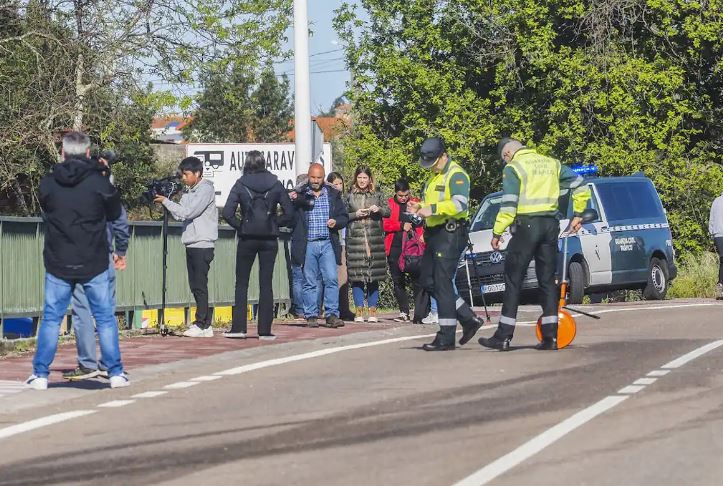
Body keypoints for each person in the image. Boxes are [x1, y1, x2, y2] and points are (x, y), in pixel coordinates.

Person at [26, 131, 128, 390]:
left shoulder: (48, 183)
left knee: (51, 317)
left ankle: (40, 374)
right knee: (104, 317)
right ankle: (115, 372)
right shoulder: (101, 183)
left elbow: (48, 213)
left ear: (62, 152)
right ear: (88, 153)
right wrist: (121, 250)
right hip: (94, 260)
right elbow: (117, 217)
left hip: (58, 260)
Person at [478, 138, 591, 351]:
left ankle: (503, 336)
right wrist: (578, 214)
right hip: (550, 226)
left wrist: (497, 231)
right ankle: (550, 338)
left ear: (507, 154)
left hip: (527, 226)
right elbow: (580, 185)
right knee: (547, 281)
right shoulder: (551, 163)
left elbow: (509, 204)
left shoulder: (514, 168)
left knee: (513, 279)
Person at [408, 137, 484, 351]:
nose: (430, 166)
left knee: (441, 281)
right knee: (428, 280)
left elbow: (460, 204)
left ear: (443, 155)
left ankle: (446, 336)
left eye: (433, 161)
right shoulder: (434, 176)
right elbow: (434, 203)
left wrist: (431, 209)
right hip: (435, 233)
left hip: (451, 233)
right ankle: (468, 319)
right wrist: (419, 207)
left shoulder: (456, 174)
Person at [63, 153, 130, 381]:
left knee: (82, 311)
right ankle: (109, 364)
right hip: (105, 257)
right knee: (107, 313)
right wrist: (120, 252)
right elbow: (122, 224)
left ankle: (87, 363)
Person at [222, 150, 295, 340]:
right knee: (266, 283)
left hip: (247, 239)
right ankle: (264, 330)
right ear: (264, 163)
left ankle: (239, 328)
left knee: (242, 283)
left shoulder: (240, 184)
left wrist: (242, 226)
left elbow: (228, 213)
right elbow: (290, 214)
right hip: (269, 239)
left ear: (246, 164)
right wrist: (273, 224)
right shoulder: (276, 184)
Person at [155, 156, 218, 337]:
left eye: (186, 174)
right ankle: (205, 325)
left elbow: (190, 211)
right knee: (195, 284)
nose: (183, 178)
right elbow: (181, 215)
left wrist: (166, 202)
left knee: (200, 284)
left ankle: (201, 323)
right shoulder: (188, 192)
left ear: (197, 173)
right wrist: (168, 201)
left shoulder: (206, 189)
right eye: (182, 174)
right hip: (191, 242)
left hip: (202, 243)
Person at [290, 163, 348, 328]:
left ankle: (331, 314)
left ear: (324, 177)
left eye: (319, 177)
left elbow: (343, 216)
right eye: (313, 177)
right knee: (309, 281)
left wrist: (336, 222)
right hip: (308, 243)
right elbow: (290, 217)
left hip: (327, 242)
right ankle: (311, 315)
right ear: (309, 176)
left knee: (331, 278)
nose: (315, 180)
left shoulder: (333, 194)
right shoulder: (300, 194)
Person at [345, 166, 390, 322]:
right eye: (359, 178)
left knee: (373, 276)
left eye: (365, 178)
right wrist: (355, 214)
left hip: (374, 240)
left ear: (370, 179)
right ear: (355, 178)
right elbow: (342, 215)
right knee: (357, 276)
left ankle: (372, 310)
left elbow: (388, 212)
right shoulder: (349, 195)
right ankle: (359, 310)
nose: (362, 181)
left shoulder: (377, 194)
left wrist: (379, 210)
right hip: (355, 239)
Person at [383, 178, 425, 322]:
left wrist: (421, 236)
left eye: (406, 195)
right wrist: (401, 225)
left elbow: (422, 222)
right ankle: (404, 311)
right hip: (394, 247)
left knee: (417, 280)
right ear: (395, 193)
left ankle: (420, 313)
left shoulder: (415, 202)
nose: (403, 198)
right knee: (398, 280)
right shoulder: (389, 204)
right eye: (400, 195)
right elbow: (384, 224)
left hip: (413, 247)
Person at [327, 172, 356, 321]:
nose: (338, 186)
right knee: (339, 276)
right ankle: (337, 309)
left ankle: (343, 308)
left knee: (346, 277)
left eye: (340, 183)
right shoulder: (329, 199)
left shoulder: (346, 199)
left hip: (349, 240)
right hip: (336, 242)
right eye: (335, 184)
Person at [709, 192, 723, 300]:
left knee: (722, 260)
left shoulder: (716, 201)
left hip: (717, 236)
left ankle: (720, 284)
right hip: (719, 234)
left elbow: (711, 219)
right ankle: (720, 285)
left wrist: (711, 235)